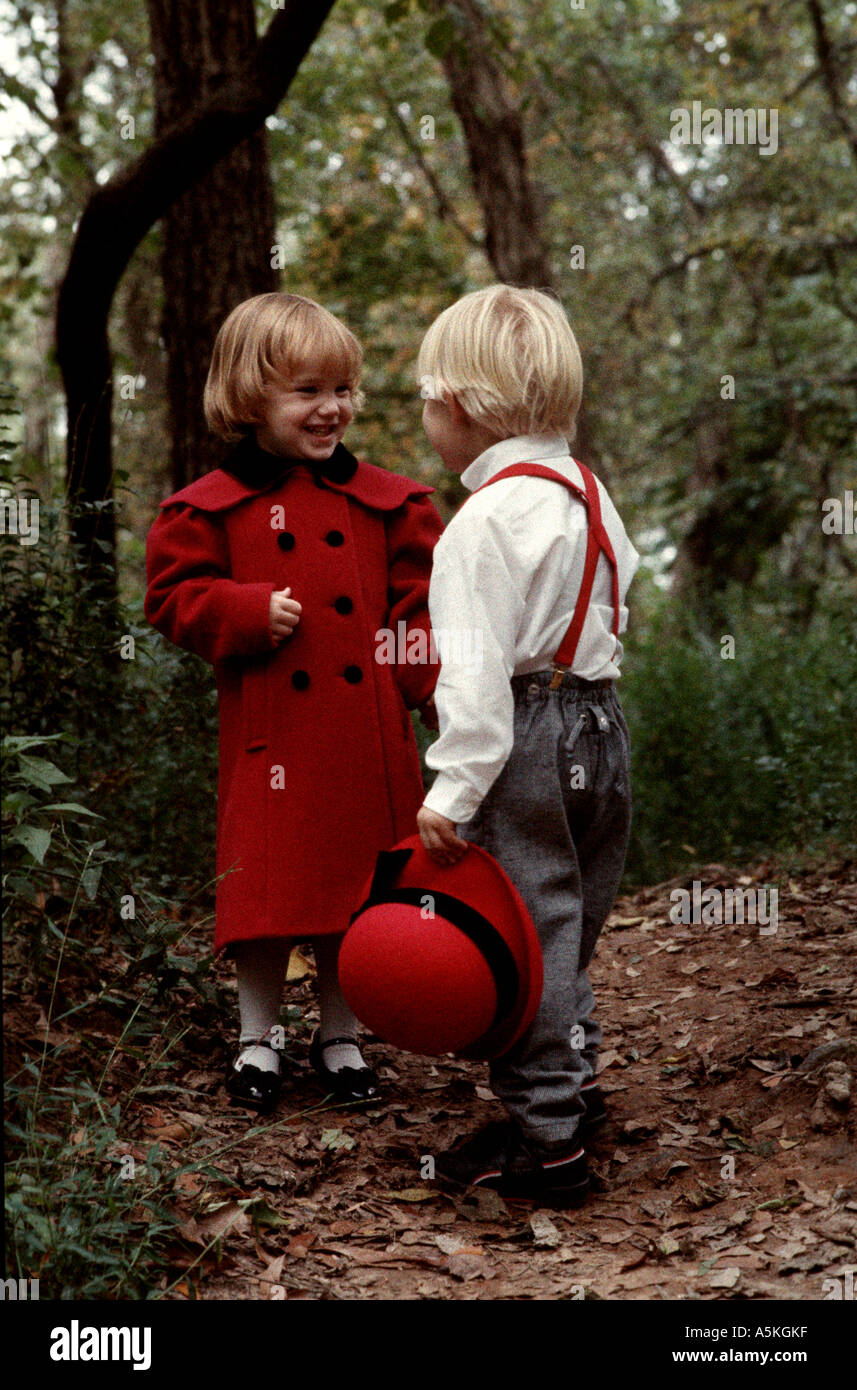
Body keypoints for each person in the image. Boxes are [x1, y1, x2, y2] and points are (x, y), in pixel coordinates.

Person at [145, 292, 443, 1113]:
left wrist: (435, 699)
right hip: (271, 739)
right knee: (267, 897)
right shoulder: (208, 507)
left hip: (367, 738)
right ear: (248, 397)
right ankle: (258, 1039)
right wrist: (239, 611)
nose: (332, 408)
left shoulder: (393, 504)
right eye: (307, 391)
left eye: (342, 388)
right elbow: (171, 596)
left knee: (359, 892)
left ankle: (341, 1035)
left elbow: (416, 614)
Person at [415, 284, 640, 1205]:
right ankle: (575, 1089)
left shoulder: (478, 526)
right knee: (571, 919)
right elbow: (614, 609)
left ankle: (546, 1143)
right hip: (601, 721)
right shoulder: (589, 495)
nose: (426, 419)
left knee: (523, 933)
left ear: (462, 409)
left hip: (524, 733)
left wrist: (451, 791)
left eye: (426, 401)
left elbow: (471, 677)